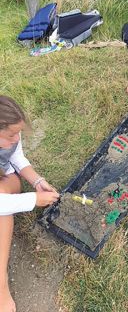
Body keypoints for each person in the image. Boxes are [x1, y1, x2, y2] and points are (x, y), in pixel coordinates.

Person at [0, 95, 59, 312]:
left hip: (4, 181)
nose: (17, 139)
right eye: (10, 135)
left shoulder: (12, 138)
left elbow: (17, 158)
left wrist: (38, 181)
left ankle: (0, 282)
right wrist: (33, 199)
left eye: (18, 133)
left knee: (4, 205)